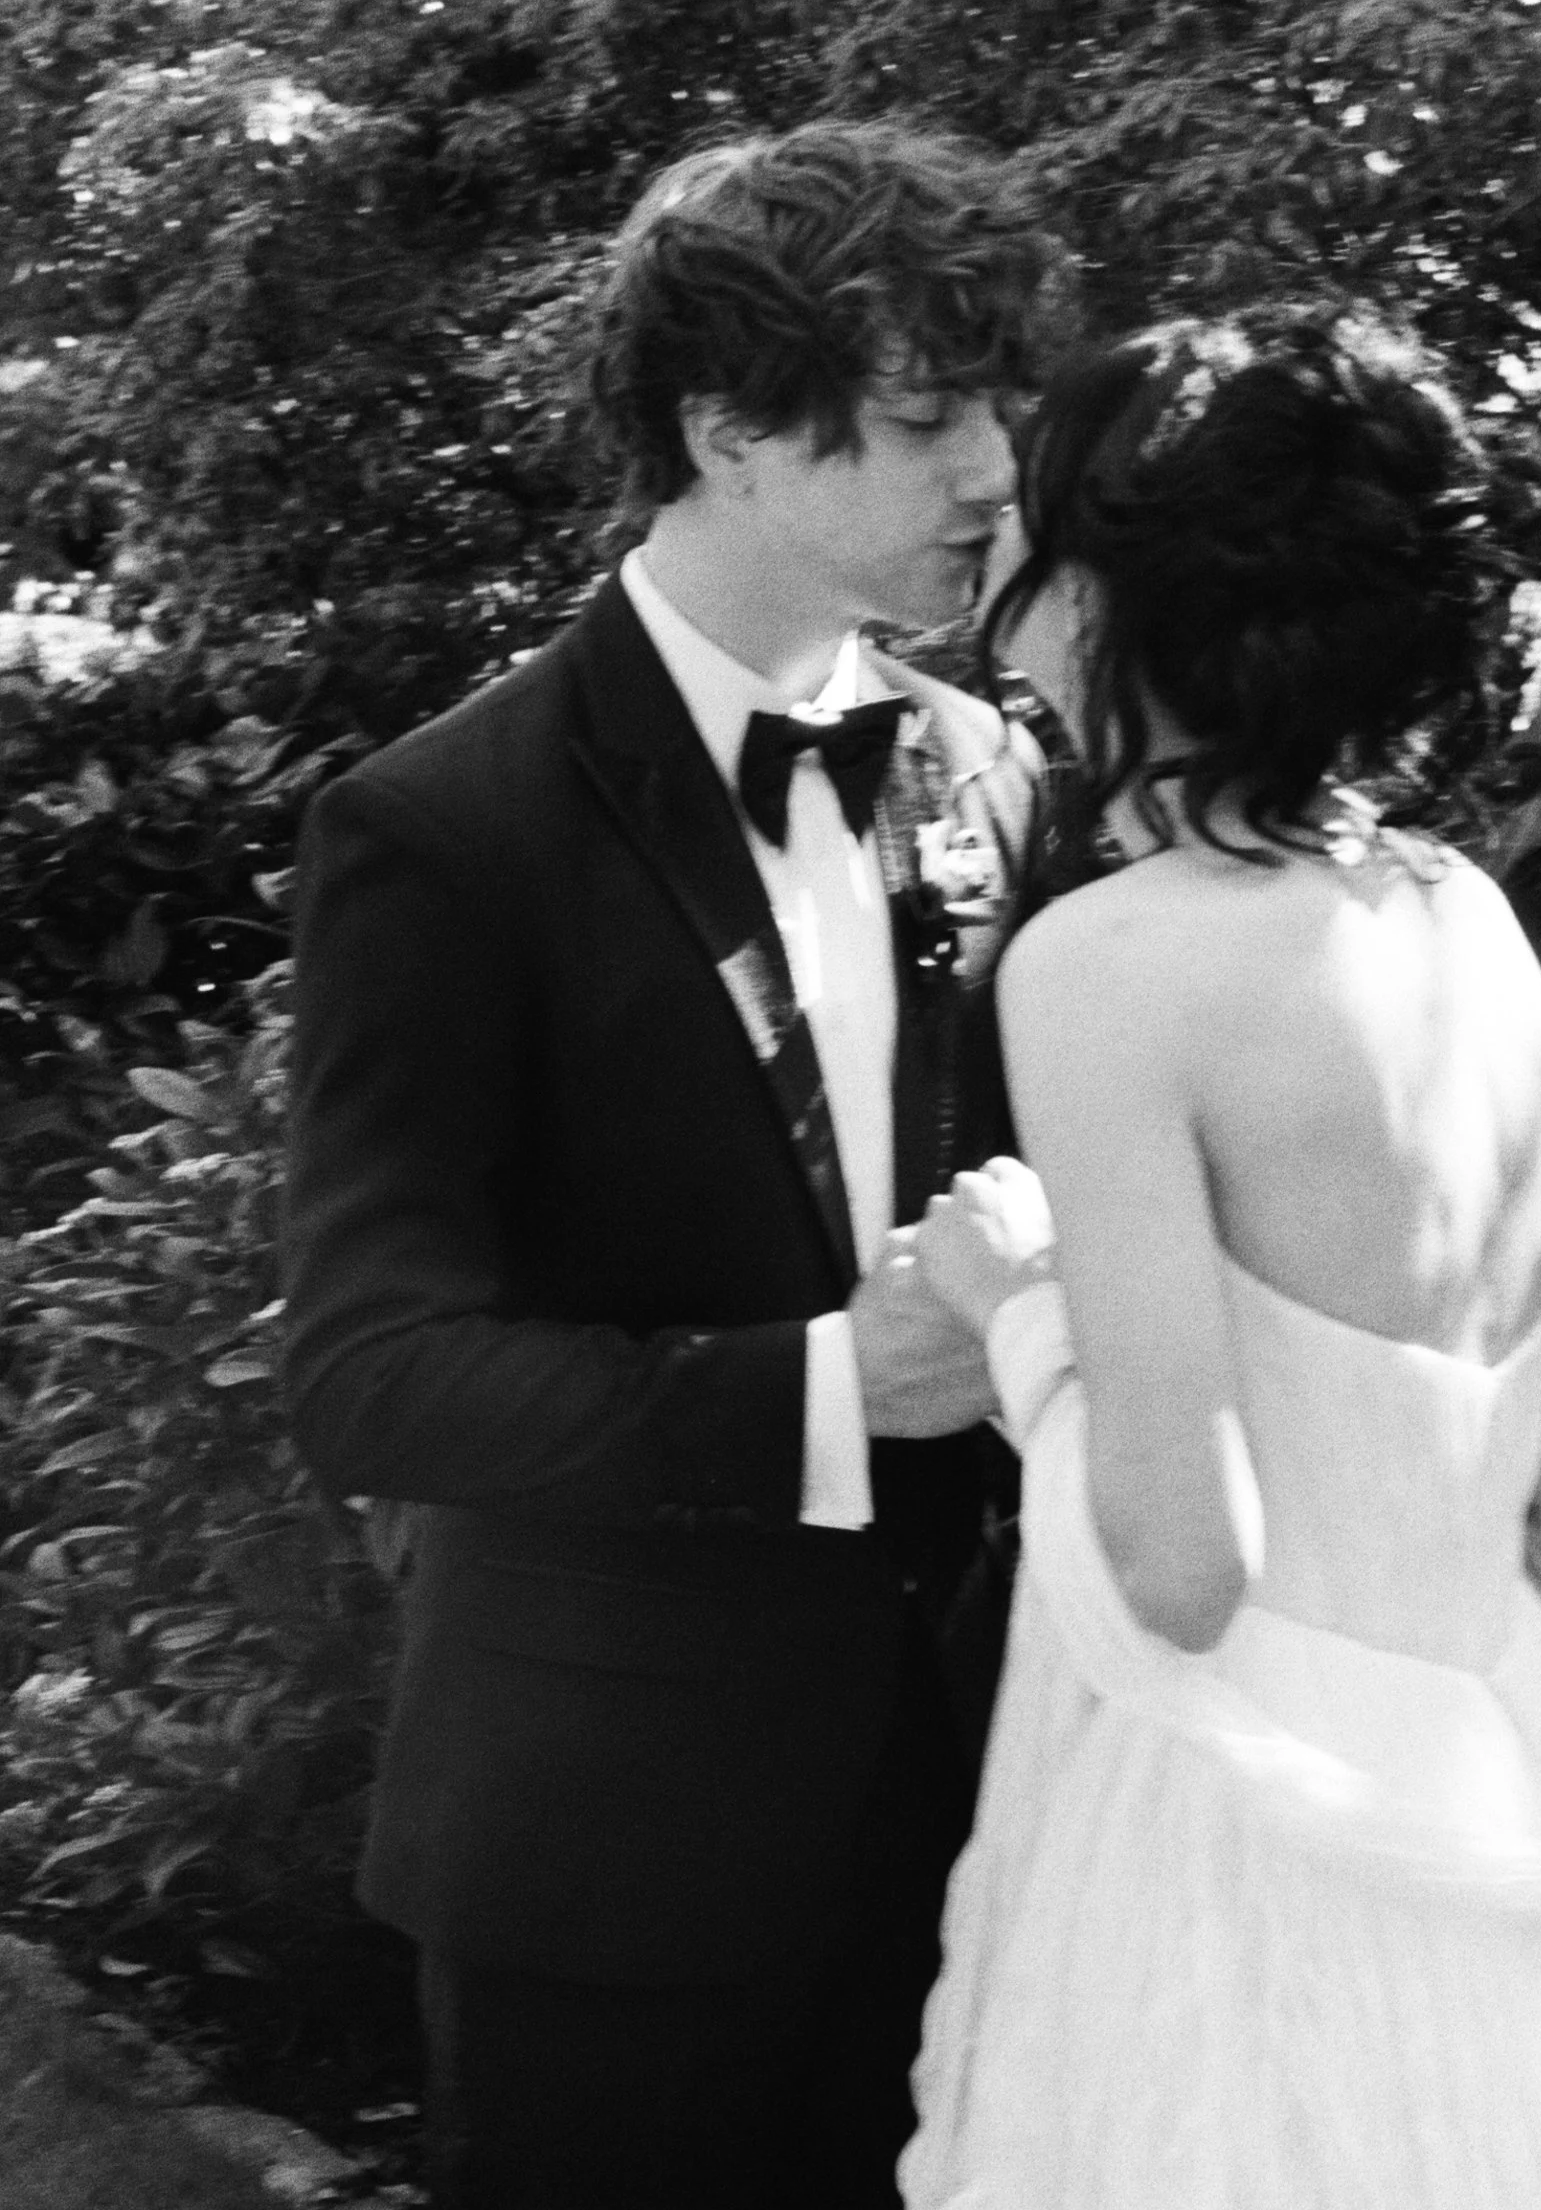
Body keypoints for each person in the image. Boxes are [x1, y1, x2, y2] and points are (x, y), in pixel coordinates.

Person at [902, 303, 1541, 2209]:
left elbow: (1178, 1567)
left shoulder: (1107, 963)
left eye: (1034, 549)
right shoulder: (1462, 917)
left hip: (1242, 1848)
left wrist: (1019, 1316)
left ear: (1115, 600)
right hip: (1509, 1800)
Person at [279, 123, 1055, 2210]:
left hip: (991, 1814)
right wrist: (824, 1385)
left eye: (997, 406)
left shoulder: (990, 772)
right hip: (604, 1853)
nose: (994, 470)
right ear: (727, 431)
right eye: (925, 418)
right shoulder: (443, 832)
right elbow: (371, 1371)